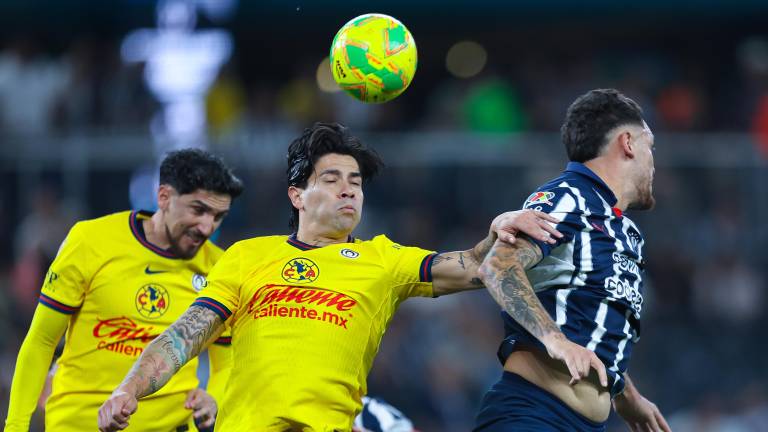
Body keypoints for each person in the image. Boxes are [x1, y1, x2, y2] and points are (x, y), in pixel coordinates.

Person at [97, 122, 563, 431]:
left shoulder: (383, 259)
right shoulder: (247, 255)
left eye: (356, 182)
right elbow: (184, 335)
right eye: (332, 179)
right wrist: (128, 388)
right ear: (297, 195)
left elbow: (475, 266)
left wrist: (498, 233)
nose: (348, 190)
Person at [5, 149, 244, 432]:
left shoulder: (218, 266)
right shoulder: (90, 242)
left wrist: (214, 399)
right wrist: (15, 426)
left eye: (218, 216)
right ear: (164, 197)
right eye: (198, 210)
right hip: (79, 424)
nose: (207, 227)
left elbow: (225, 361)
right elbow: (42, 341)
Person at [475, 89, 671, 431]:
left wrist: (626, 394)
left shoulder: (623, 229)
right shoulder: (569, 197)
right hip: (533, 414)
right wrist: (555, 340)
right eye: (650, 146)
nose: (653, 161)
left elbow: (588, 326)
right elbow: (498, 266)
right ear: (627, 143)